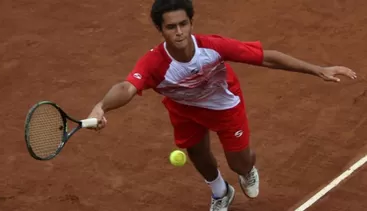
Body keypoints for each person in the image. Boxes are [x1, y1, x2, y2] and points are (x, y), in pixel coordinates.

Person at [86, 0, 357, 210]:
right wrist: (101, 107)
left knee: (239, 163)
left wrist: (317, 69)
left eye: (183, 24)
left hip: (224, 106)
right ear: (161, 29)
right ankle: (220, 191)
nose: (179, 32)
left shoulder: (212, 46)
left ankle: (246, 171)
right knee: (198, 154)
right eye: (171, 27)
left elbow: (267, 58)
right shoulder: (154, 63)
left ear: (191, 23)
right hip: (185, 109)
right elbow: (127, 87)